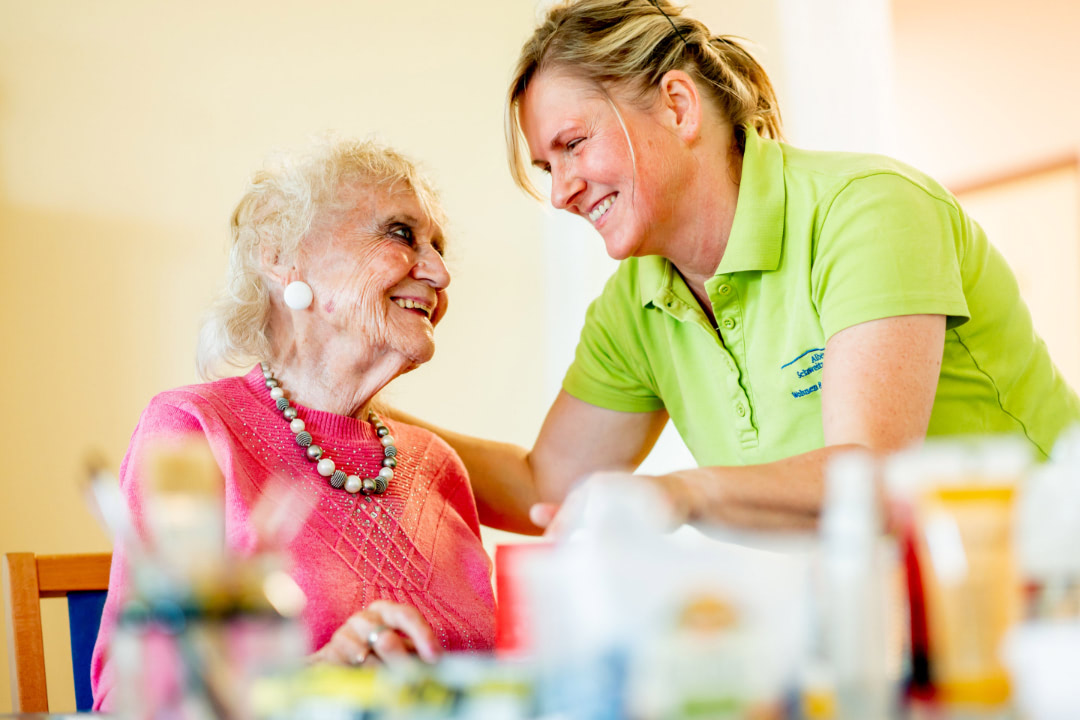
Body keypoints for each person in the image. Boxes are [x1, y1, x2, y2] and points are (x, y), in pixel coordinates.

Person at [408, 0, 1080, 534]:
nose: (562, 191)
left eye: (574, 144)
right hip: (884, 622)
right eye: (548, 168)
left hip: (1046, 587)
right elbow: (546, 487)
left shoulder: (869, 211)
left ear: (677, 105)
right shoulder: (636, 304)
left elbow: (873, 476)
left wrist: (683, 493)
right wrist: (350, 418)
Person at [91, 139, 495, 711]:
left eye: (438, 247)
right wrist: (309, 685)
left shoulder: (435, 465)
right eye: (401, 234)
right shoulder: (194, 432)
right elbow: (132, 700)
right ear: (282, 255)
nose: (439, 272)